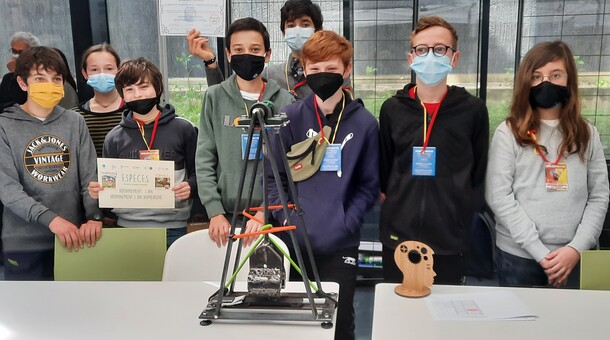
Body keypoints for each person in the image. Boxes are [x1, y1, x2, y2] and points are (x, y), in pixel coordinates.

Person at [266, 30, 379, 340]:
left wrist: (346, 221)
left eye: (331, 69)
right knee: (294, 324)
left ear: (346, 70)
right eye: (314, 69)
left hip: (341, 244)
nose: (322, 76)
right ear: (304, 70)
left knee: (339, 323)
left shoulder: (366, 124)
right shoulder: (288, 118)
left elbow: (369, 186)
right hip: (293, 246)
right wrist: (286, 219)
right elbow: (273, 179)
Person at [486, 41, 609, 288]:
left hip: (574, 256)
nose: (546, 83)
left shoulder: (588, 133)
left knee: (570, 324)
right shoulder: (508, 132)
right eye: (536, 76)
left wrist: (575, 248)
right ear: (526, 82)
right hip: (519, 256)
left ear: (569, 79)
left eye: (555, 75)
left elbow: (599, 196)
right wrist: (539, 252)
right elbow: (498, 196)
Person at [379, 16, 489, 285]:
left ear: (454, 57)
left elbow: (478, 172)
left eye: (440, 49)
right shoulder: (392, 109)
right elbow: (384, 167)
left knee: (445, 316)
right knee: (400, 314)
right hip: (399, 236)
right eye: (421, 49)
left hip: (450, 238)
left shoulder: (472, 110)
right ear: (410, 57)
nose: (430, 55)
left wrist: (462, 212)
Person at [0, 46, 101, 280]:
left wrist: (93, 216)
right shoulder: (4, 125)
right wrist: (52, 221)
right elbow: (8, 189)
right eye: (39, 78)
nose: (50, 85)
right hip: (25, 242)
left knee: (74, 309)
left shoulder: (75, 121)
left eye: (56, 79)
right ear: (23, 83)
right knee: (29, 312)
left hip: (73, 238)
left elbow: (90, 178)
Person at [195, 17, 295, 248]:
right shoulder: (214, 97)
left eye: (255, 49)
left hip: (271, 218)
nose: (246, 55)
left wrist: (267, 211)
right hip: (225, 217)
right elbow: (204, 157)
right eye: (239, 50)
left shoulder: (286, 101)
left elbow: (290, 167)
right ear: (229, 55)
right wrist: (214, 211)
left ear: (267, 55)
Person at [87, 57, 198, 248]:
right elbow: (108, 182)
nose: (138, 94)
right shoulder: (114, 137)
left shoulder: (184, 129)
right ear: (122, 96)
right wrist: (97, 191)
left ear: (159, 88)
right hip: (127, 228)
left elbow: (201, 173)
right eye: (130, 89)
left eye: (144, 86)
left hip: (173, 228)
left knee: (176, 277)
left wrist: (191, 187)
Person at [187, 0, 350, 100]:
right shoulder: (270, 74)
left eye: (305, 24)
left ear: (318, 29)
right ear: (283, 32)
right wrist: (211, 62)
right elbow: (226, 97)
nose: (298, 30)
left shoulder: (333, 71)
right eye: (291, 25)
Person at [71, 43, 124, 157]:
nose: (102, 74)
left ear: (119, 71)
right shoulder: (75, 116)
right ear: (85, 74)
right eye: (94, 69)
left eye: (109, 68)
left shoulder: (134, 111)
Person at [0, 32, 40, 111]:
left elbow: (24, 102)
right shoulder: (8, 78)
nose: (17, 56)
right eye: (14, 51)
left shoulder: (41, 74)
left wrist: (16, 72)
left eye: (21, 52)